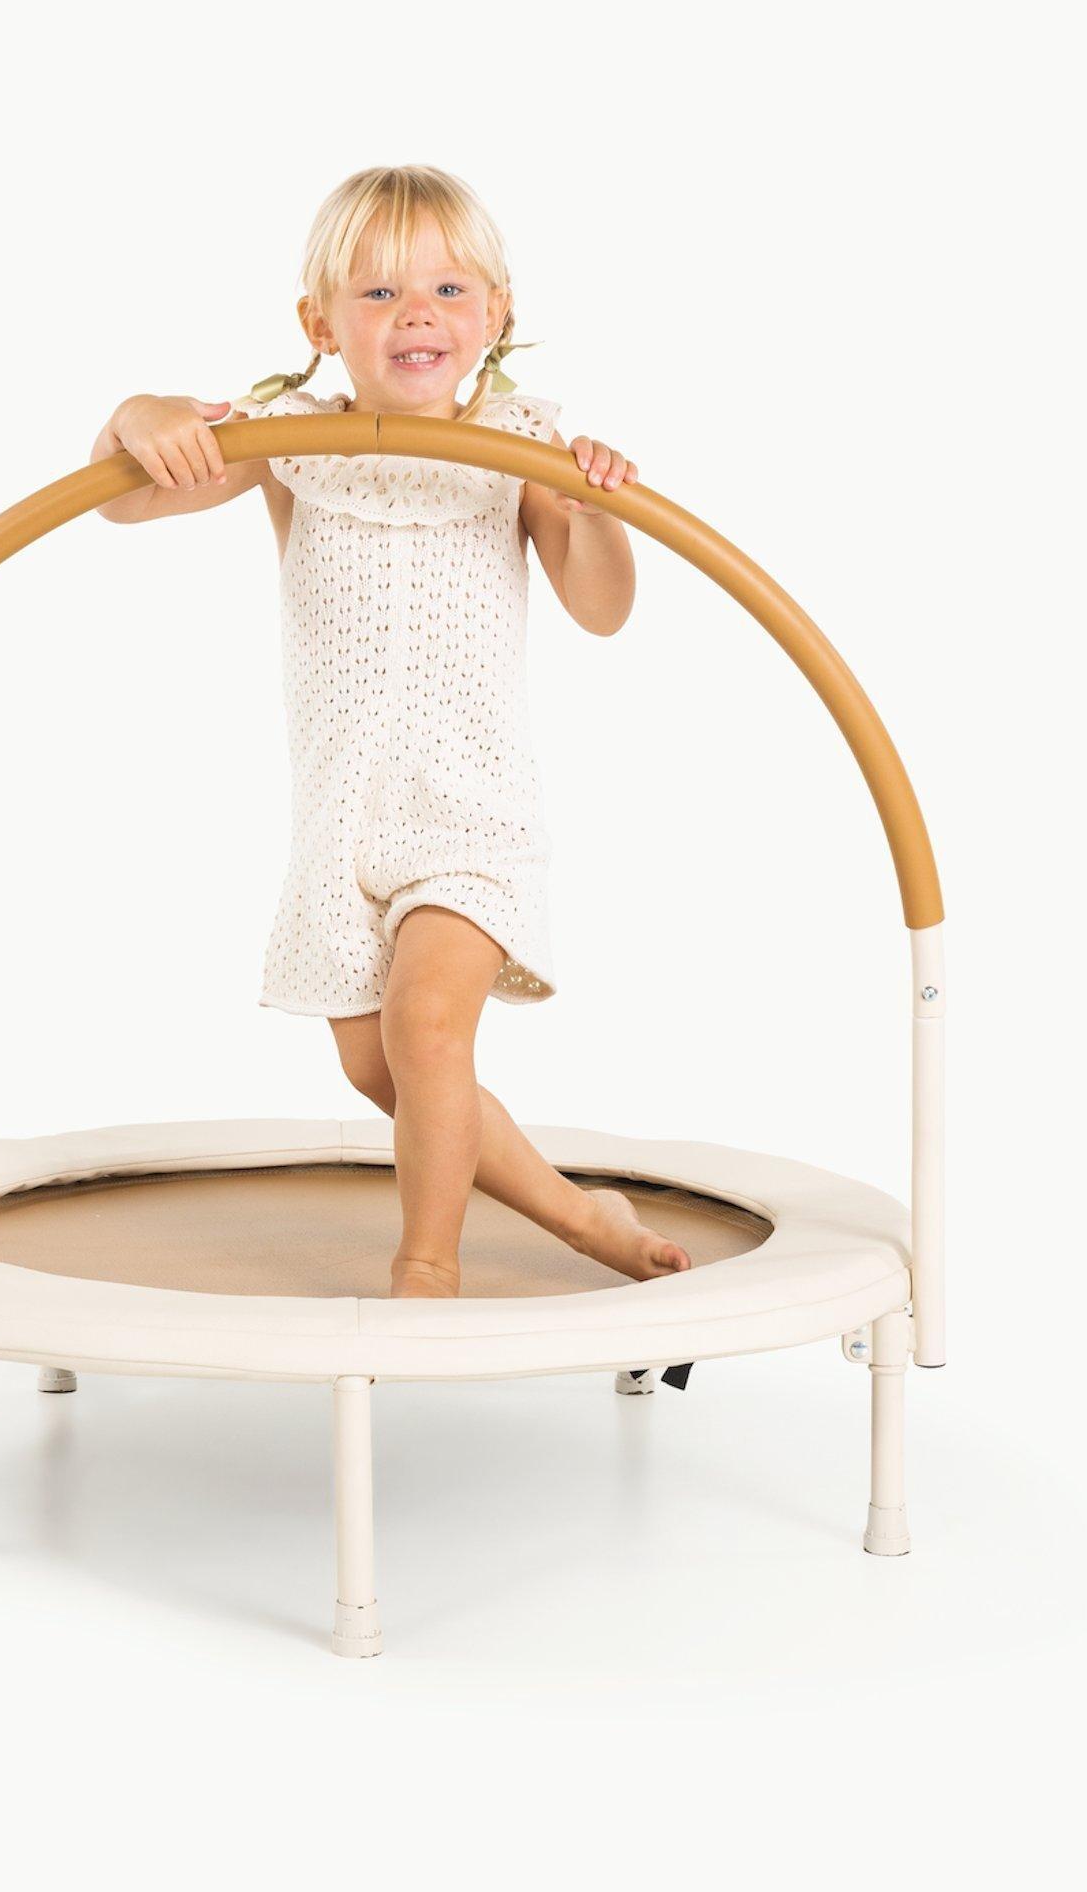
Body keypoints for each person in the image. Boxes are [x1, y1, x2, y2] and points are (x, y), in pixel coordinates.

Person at [90, 164, 691, 1298]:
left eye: (447, 289)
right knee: (387, 1071)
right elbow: (125, 498)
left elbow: (601, 609)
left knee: (425, 1030)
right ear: (319, 323)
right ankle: (581, 1216)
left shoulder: (523, 445)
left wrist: (598, 513)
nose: (416, 313)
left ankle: (426, 1269)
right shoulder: (290, 441)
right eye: (377, 293)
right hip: (341, 824)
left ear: (494, 313)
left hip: (467, 815)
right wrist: (138, 416)